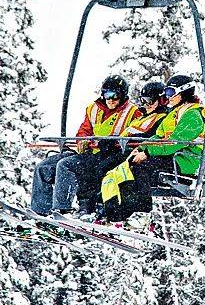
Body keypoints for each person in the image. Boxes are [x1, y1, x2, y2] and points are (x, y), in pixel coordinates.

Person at [102, 74, 205, 227]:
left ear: (183, 92)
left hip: (185, 161)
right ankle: (118, 215)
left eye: (170, 93)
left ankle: (143, 214)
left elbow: (175, 142)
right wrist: (141, 148)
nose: (167, 97)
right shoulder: (175, 113)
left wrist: (148, 153)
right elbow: (158, 136)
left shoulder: (192, 115)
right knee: (127, 170)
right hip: (171, 157)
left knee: (141, 167)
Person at [30, 75, 140, 215]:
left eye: (115, 95)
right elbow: (84, 130)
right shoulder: (94, 109)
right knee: (43, 168)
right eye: (107, 94)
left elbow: (135, 135)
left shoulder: (132, 112)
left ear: (123, 95)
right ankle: (41, 211)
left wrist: (113, 143)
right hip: (87, 153)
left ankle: (63, 210)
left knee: (65, 165)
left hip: (107, 156)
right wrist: (82, 141)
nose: (110, 99)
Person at [98, 80, 170, 222]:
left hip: (140, 152)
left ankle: (131, 212)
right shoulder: (143, 116)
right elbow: (129, 134)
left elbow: (152, 137)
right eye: (143, 100)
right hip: (128, 149)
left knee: (124, 170)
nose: (146, 105)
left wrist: (125, 144)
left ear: (161, 100)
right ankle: (106, 210)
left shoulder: (162, 117)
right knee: (103, 168)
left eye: (149, 101)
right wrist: (112, 141)